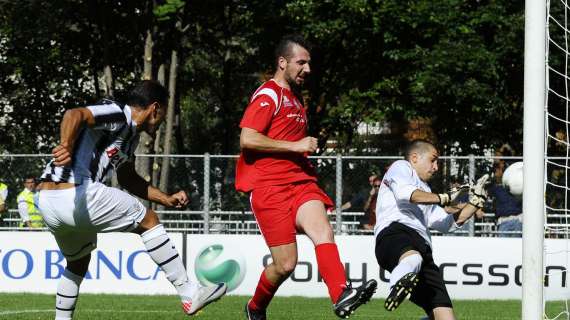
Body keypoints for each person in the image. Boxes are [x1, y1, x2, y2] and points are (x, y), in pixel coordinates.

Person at [37, 80, 227, 320]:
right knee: (148, 220)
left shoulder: (129, 138)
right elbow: (74, 114)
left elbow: (128, 179)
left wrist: (165, 198)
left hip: (47, 200)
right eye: (163, 115)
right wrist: (65, 144)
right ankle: (189, 292)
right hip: (74, 191)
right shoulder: (118, 112)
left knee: (78, 262)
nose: (162, 122)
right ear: (154, 108)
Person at [236, 34, 377, 320]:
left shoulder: (295, 99)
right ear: (282, 62)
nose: (307, 70)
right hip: (269, 188)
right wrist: (296, 145)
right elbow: (247, 139)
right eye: (301, 63)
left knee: (323, 230)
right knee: (286, 265)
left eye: (309, 64)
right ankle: (255, 308)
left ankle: (340, 294)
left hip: (301, 183)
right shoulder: (268, 95)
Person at [374, 140, 487, 319]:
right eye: (433, 160)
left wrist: (475, 203)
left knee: (445, 317)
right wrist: (444, 197)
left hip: (423, 250)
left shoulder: (426, 190)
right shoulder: (402, 167)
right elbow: (405, 193)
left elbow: (444, 223)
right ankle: (396, 286)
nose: (436, 167)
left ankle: (404, 280)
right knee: (413, 257)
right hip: (395, 233)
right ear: (414, 158)